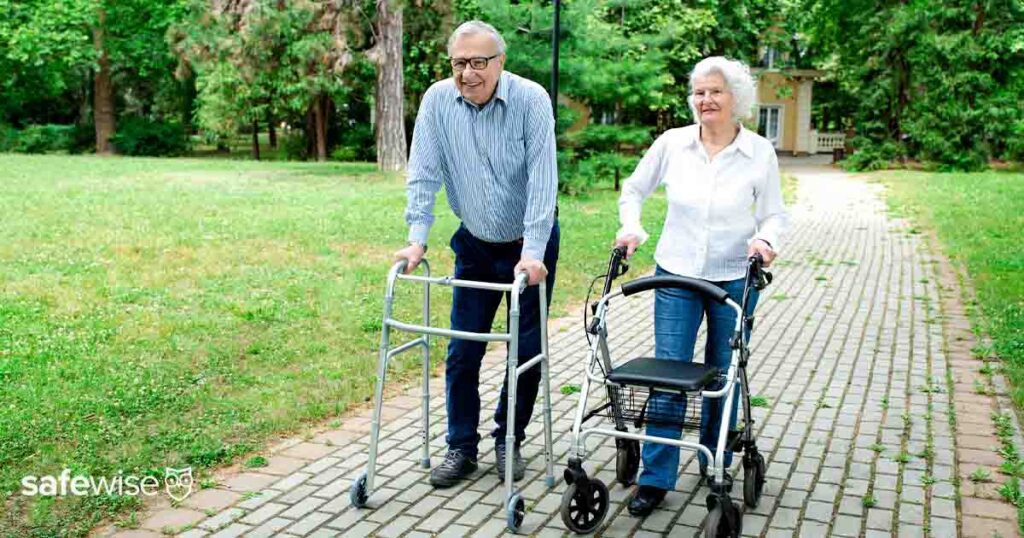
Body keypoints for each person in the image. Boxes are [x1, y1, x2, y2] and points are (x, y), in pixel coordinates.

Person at [614, 56, 788, 516]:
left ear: (736, 99)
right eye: (699, 92)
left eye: (715, 92)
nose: (705, 100)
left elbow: (773, 212)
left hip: (735, 275)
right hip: (676, 272)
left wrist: (765, 240)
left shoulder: (758, 152)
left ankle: (716, 464)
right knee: (669, 373)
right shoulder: (672, 144)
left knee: (722, 375)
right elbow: (633, 190)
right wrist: (631, 228)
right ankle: (655, 479)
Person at [394, 20, 559, 489]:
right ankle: (461, 446)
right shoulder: (436, 101)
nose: (468, 73)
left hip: (531, 243)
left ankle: (509, 438)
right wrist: (416, 238)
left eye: (478, 62)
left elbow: (543, 183)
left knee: (526, 350)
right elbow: (423, 172)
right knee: (463, 351)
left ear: (500, 63)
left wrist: (531, 253)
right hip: (475, 242)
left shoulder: (530, 100)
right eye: (459, 63)